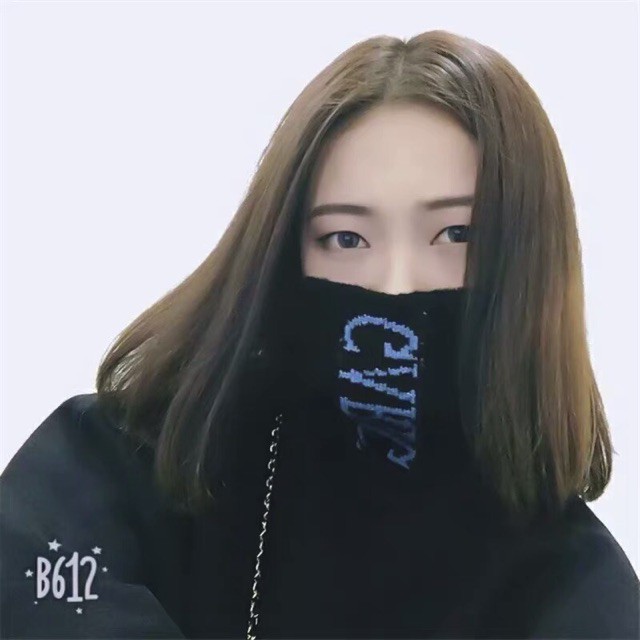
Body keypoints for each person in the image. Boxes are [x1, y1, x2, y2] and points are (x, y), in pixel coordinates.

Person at [1, 29, 638, 640]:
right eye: (347, 238)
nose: (395, 286)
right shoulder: (118, 464)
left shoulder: (579, 590)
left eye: (456, 234)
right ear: (283, 253)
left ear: (527, 258)